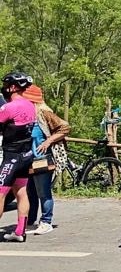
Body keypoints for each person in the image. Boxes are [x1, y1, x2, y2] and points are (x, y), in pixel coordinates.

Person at [24, 85, 71, 235]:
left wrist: (48, 141)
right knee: (29, 192)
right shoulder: (26, 115)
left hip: (42, 158)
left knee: (43, 192)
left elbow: (65, 127)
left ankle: (46, 221)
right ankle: (31, 221)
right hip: (28, 159)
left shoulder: (44, 113)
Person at [0, 72, 38, 242]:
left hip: (12, 157)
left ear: (13, 87)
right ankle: (20, 231)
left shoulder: (9, 107)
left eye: (6, 85)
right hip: (26, 156)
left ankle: (19, 232)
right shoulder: (30, 105)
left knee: (0, 193)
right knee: (21, 192)